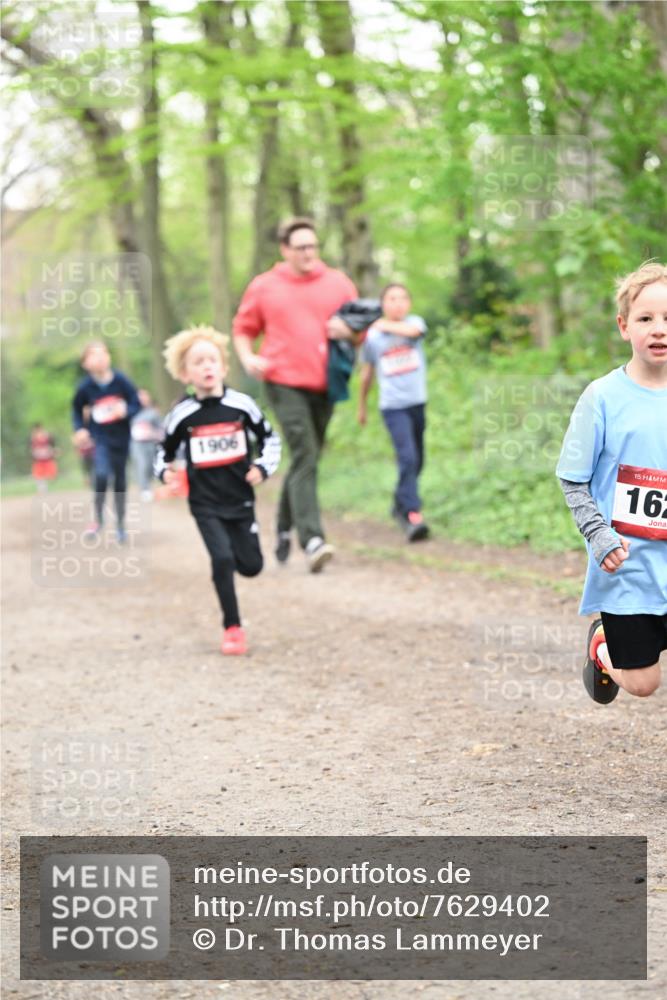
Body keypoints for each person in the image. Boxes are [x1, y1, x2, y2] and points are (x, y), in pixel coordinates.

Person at [556, 261, 667, 704]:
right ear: (624, 326)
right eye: (646, 319)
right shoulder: (602, 397)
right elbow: (572, 478)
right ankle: (604, 646)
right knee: (643, 684)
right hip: (628, 565)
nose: (659, 329)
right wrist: (598, 535)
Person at [232, 216, 358, 572]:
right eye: (301, 247)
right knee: (305, 451)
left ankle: (283, 528)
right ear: (285, 250)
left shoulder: (338, 283)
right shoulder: (265, 286)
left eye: (313, 246)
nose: (308, 253)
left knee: (308, 457)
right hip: (283, 380)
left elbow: (361, 326)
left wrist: (348, 329)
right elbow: (243, 329)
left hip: (327, 381)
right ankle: (312, 538)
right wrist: (247, 357)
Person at [154, 325, 281, 656]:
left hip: (240, 499)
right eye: (198, 362)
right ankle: (233, 628)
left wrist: (263, 467)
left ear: (223, 367)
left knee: (251, 566)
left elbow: (270, 439)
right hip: (204, 502)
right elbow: (161, 452)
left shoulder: (243, 406)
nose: (206, 366)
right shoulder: (182, 415)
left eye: (212, 360)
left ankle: (242, 559)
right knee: (222, 558)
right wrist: (164, 472)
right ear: (185, 374)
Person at [357, 283, 430, 542]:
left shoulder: (414, 323)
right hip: (393, 407)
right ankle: (412, 515)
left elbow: (414, 331)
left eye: (402, 298)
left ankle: (399, 501)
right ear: (383, 304)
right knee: (407, 458)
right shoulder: (373, 339)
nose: (397, 303)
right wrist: (362, 406)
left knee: (418, 460)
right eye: (391, 299)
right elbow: (366, 375)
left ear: (408, 304)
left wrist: (381, 324)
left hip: (417, 403)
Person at [71, 340, 140, 542]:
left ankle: (120, 525)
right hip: (100, 439)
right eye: (94, 355)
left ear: (109, 357)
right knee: (101, 476)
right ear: (85, 363)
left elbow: (136, 402)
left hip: (122, 438)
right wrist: (80, 429)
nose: (100, 357)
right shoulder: (85, 387)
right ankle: (98, 519)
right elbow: (76, 410)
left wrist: (126, 410)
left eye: (104, 353)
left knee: (120, 482)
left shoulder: (120, 380)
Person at [131, 388, 163, 501]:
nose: (142, 398)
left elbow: (160, 429)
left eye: (144, 396)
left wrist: (152, 433)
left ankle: (149, 485)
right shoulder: (132, 412)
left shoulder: (153, 413)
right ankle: (144, 489)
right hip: (137, 444)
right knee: (142, 464)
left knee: (150, 466)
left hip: (151, 443)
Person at [30, 423, 58, 492]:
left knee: (51, 474)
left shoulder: (48, 436)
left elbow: (52, 445)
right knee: (38, 474)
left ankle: (46, 485)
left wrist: (53, 451)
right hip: (38, 459)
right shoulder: (33, 438)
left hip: (48, 458)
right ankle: (42, 488)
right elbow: (31, 448)